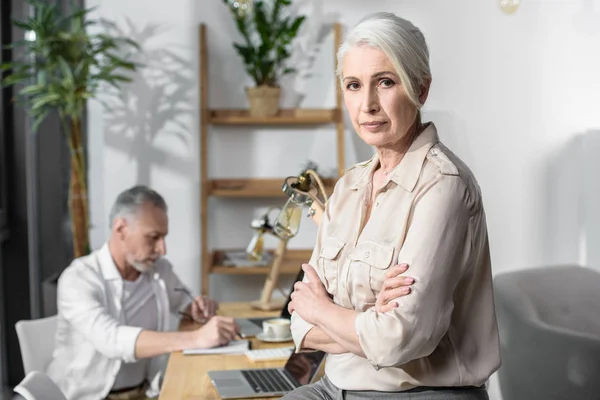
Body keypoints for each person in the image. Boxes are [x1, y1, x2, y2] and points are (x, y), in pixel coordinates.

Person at [283, 12, 501, 400]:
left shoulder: (443, 187)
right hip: (335, 387)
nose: (367, 104)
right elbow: (299, 321)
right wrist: (363, 322)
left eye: (385, 82)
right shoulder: (349, 186)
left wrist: (325, 312)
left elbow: (396, 341)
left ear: (421, 89)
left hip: (420, 393)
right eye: (353, 85)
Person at [46, 185, 240, 400]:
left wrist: (197, 306)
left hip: (146, 392)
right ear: (121, 228)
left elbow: (184, 301)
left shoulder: (159, 269)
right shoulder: (78, 278)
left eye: (163, 237)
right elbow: (111, 340)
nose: (162, 249)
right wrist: (196, 338)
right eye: (153, 237)